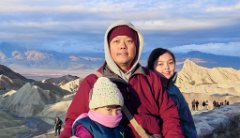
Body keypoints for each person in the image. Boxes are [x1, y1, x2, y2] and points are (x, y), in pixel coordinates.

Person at [60, 20, 184, 138]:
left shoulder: (151, 79)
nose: (123, 46)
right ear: (108, 47)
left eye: (129, 41)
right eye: (116, 41)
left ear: (137, 46)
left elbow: (170, 115)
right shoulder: (91, 83)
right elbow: (74, 121)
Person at [147, 48, 197, 138]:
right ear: (152, 67)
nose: (167, 67)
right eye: (160, 64)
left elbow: (186, 120)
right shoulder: (149, 90)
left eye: (170, 63)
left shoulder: (174, 89)